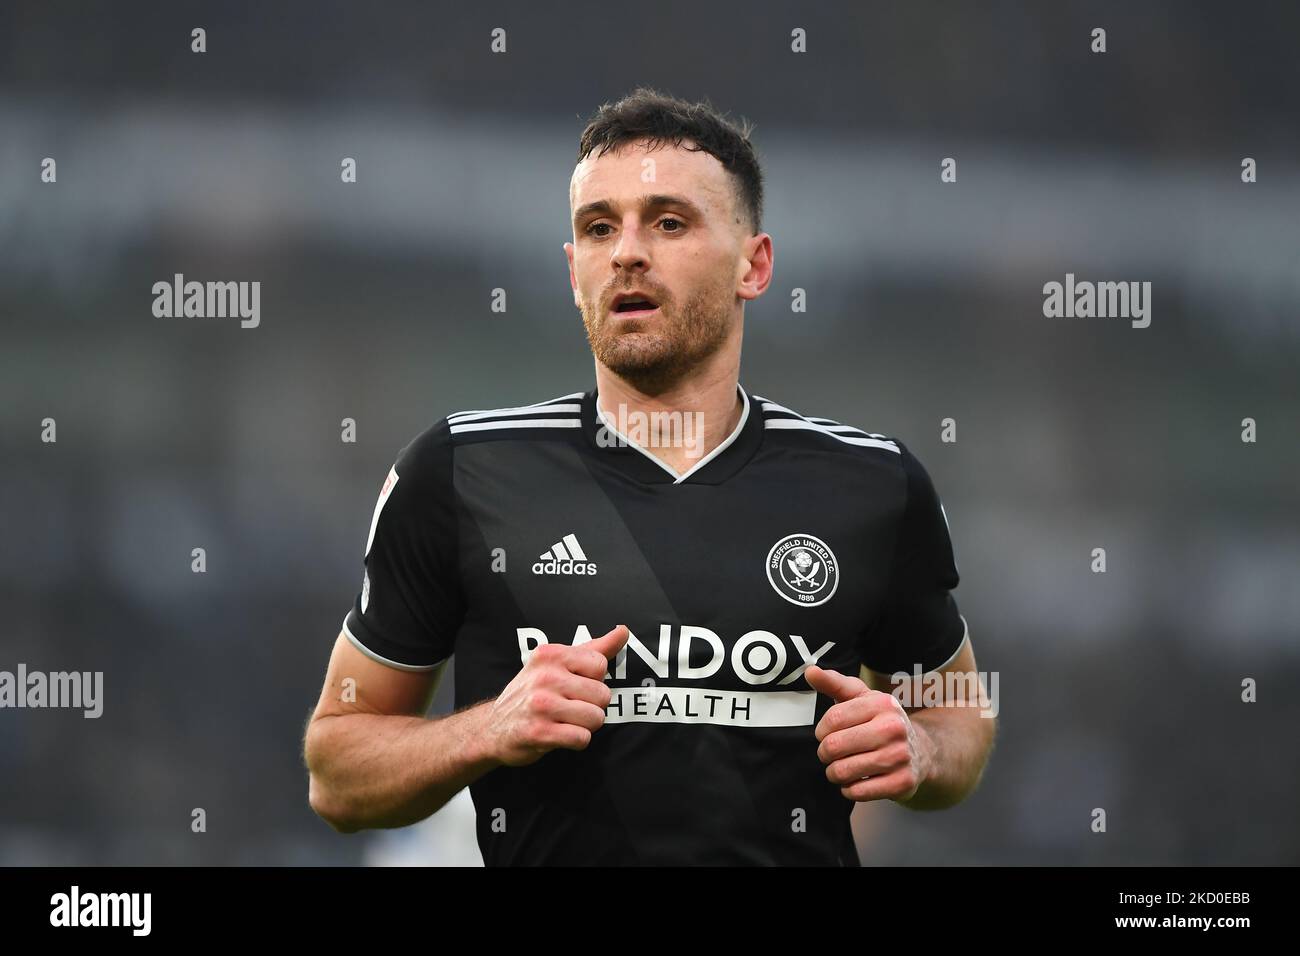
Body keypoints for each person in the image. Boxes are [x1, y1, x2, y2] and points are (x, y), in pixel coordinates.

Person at [304, 87, 997, 865]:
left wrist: (919, 748)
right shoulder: (461, 470)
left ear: (754, 265)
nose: (627, 251)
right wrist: (487, 730)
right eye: (599, 228)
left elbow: (959, 718)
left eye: (669, 222)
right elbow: (337, 773)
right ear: (574, 271)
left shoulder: (872, 483)